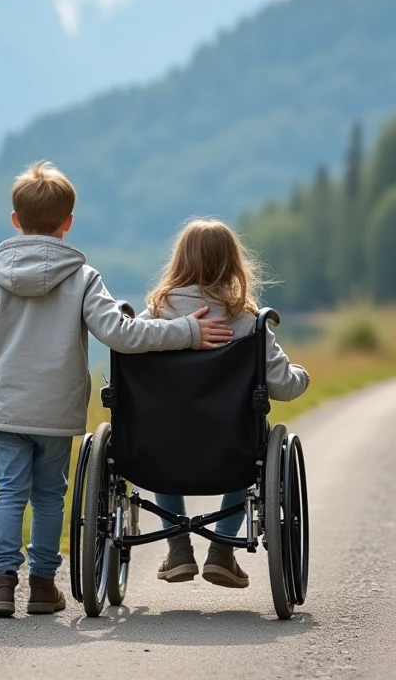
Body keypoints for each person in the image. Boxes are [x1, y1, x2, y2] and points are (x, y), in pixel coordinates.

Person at [0, 162, 235, 618]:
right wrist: (187, 332)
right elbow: (122, 335)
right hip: (57, 410)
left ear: (15, 221)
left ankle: (2, 586)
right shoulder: (83, 278)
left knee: (9, 491)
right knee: (47, 495)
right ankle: (43, 586)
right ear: (68, 222)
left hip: (6, 406)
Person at [140, 218, 309, 589]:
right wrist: (302, 375)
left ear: (179, 261)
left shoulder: (154, 317)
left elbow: (126, 353)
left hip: (159, 450)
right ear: (233, 264)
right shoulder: (249, 322)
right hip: (231, 451)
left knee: (162, 435)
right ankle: (221, 551)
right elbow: (283, 386)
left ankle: (179, 548)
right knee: (254, 437)